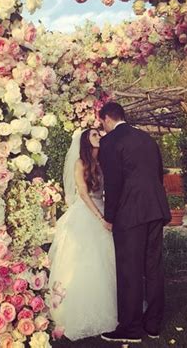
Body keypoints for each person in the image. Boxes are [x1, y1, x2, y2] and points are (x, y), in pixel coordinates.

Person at [98, 102, 171, 343]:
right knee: (153, 267)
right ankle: (153, 325)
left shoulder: (110, 141)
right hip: (155, 208)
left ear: (107, 118)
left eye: (102, 123)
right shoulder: (147, 139)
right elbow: (158, 174)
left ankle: (130, 328)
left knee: (129, 270)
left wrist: (109, 216)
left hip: (130, 212)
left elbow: (113, 183)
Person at [47, 129, 118, 341]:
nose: (99, 137)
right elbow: (84, 194)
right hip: (86, 212)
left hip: (103, 209)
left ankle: (108, 305)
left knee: (105, 261)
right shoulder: (80, 163)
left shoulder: (104, 161)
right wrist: (100, 218)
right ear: (86, 141)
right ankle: (74, 309)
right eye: (95, 135)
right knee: (83, 260)